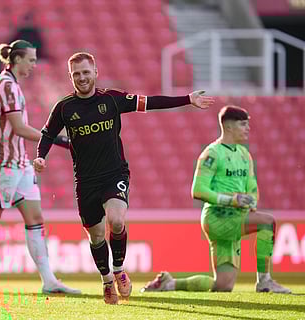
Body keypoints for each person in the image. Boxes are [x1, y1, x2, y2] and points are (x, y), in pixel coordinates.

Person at [32, 52, 214, 304]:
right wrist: (41, 156)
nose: (82, 78)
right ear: (70, 76)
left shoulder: (112, 99)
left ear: (95, 72)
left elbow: (150, 102)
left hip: (114, 174)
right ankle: (107, 280)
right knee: (96, 236)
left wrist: (187, 99)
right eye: (76, 74)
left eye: (86, 72)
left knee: (116, 221)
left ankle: (118, 270)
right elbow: (47, 134)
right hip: (85, 182)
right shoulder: (64, 107)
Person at [0, 40, 80, 295]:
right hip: (3, 165)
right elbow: (18, 128)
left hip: (19, 163)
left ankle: (49, 280)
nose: (33, 64)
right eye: (31, 60)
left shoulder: (10, 85)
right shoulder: (6, 86)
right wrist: (58, 139)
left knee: (35, 220)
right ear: (17, 59)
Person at [141, 106, 291, 294]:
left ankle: (169, 284)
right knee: (267, 222)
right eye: (243, 124)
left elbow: (252, 187)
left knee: (223, 286)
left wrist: (251, 200)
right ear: (228, 127)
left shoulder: (245, 155)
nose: (248, 128)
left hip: (235, 216)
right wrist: (232, 200)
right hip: (218, 217)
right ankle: (265, 281)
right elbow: (198, 190)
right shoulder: (212, 153)